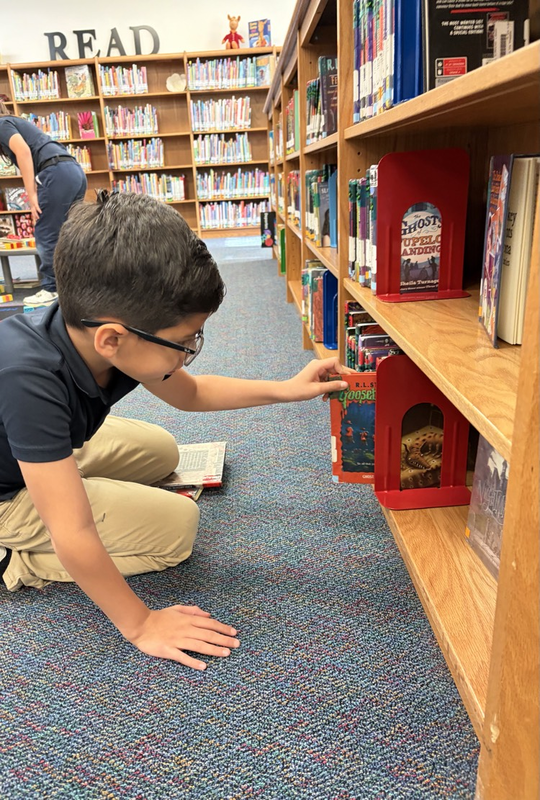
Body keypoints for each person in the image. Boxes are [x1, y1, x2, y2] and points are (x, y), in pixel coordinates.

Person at [0, 192, 351, 671]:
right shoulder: (28, 378)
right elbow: (73, 530)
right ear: (113, 339)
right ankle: (11, 559)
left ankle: (67, 485)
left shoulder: (105, 335)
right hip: (7, 492)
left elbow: (192, 393)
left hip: (33, 446)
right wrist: (141, 624)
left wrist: (288, 389)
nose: (189, 354)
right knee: (175, 530)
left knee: (162, 451)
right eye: (185, 343)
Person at [0, 99, 87, 306]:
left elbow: (23, 152)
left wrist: (31, 195)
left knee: (46, 231)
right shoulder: (12, 122)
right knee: (68, 232)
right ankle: (76, 285)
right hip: (72, 171)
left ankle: (52, 289)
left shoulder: (2, 124)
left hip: (56, 172)